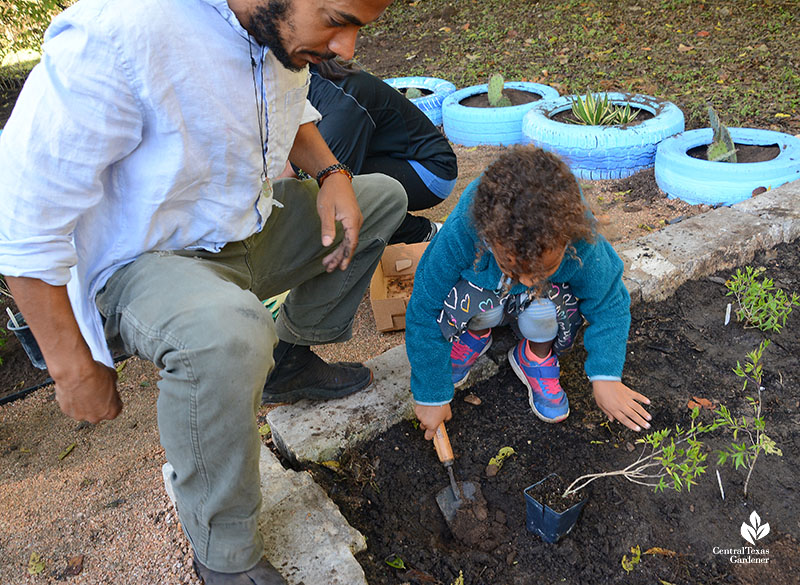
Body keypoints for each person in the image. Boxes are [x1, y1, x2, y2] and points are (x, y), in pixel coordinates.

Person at [0, 0, 403, 584]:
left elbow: (293, 113)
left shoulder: (274, 32)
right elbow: (20, 218)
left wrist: (333, 175)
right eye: (338, 19)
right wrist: (71, 367)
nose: (349, 48)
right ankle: (227, 556)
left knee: (381, 197)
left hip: (241, 230)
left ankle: (288, 360)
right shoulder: (119, 32)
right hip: (142, 261)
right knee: (228, 334)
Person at [405, 145, 653, 443]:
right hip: (483, 295)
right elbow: (425, 308)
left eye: (543, 268)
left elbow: (609, 301)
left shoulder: (577, 234)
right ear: (488, 237)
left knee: (543, 306)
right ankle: (476, 333)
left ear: (567, 238)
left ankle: (534, 354)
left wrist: (606, 375)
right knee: (467, 297)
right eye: (511, 266)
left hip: (543, 303)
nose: (525, 280)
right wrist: (431, 394)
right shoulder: (465, 229)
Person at [303, 59, 458, 244]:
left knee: (337, 188)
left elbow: (326, 181)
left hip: (431, 170)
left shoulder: (341, 102)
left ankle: (424, 234)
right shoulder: (310, 84)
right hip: (392, 158)